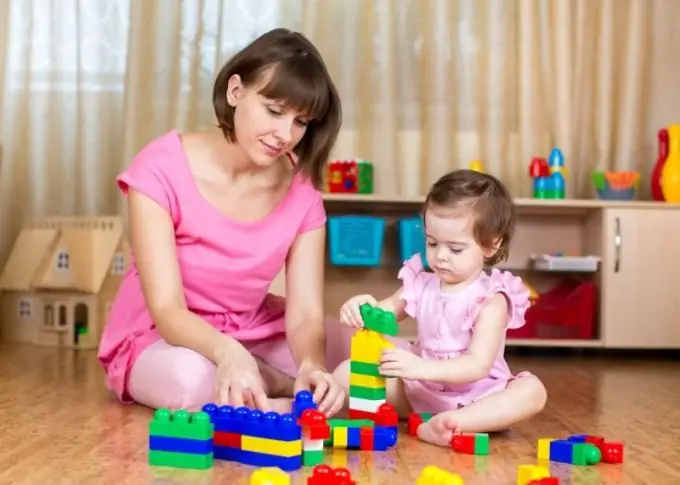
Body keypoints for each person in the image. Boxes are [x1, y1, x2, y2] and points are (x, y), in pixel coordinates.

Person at [97, 28, 352, 417]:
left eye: (301, 121)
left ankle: (272, 385)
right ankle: (276, 389)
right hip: (163, 335)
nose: (286, 135)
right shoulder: (159, 170)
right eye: (274, 110)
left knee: (374, 354)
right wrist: (229, 353)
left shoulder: (302, 189)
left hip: (252, 328)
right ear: (235, 92)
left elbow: (304, 315)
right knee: (192, 380)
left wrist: (311, 366)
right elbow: (167, 308)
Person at [334, 169, 548, 447]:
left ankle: (458, 422)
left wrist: (422, 367)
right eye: (432, 243)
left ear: (492, 244)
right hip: (419, 393)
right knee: (344, 372)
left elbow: (477, 365)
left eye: (455, 249)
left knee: (532, 392)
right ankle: (437, 421)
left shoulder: (492, 299)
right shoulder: (422, 283)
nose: (440, 256)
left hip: (478, 396)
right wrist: (360, 307)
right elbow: (383, 314)